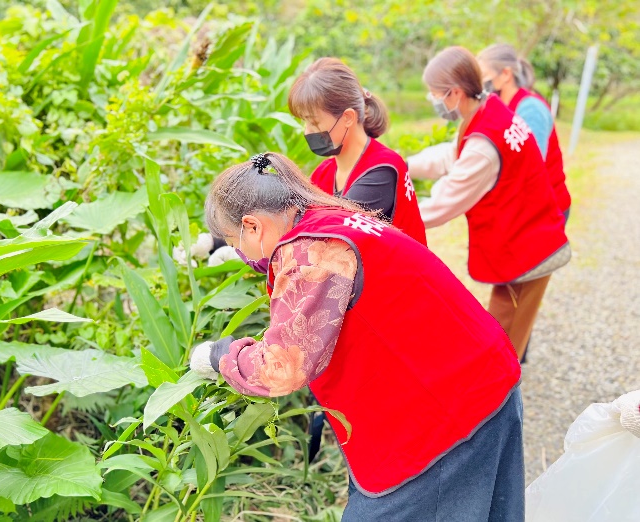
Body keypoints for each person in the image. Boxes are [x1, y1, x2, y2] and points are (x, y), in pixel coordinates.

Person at [191, 152, 524, 521]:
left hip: (447, 409)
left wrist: (220, 355)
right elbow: (276, 257)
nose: (240, 251)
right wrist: (222, 247)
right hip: (476, 373)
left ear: (253, 225)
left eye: (233, 240)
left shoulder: (312, 255)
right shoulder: (328, 218)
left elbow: (283, 367)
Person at [407, 46, 570, 361]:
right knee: (503, 334)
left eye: (434, 94)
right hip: (526, 234)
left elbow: (445, 202)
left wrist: (393, 215)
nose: (434, 102)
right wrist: (401, 165)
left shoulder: (485, 140)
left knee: (503, 346)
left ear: (454, 93)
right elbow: (453, 154)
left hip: (527, 247)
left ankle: (501, 405)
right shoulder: (488, 112)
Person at [288, 57, 426, 245]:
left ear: (347, 118)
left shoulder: (382, 169)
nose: (307, 131)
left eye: (314, 122)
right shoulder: (324, 173)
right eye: (305, 122)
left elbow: (331, 235)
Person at [478, 44, 572, 221]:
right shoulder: (501, 105)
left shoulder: (530, 108)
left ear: (506, 74)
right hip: (521, 206)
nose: (481, 83)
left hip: (546, 209)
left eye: (484, 75)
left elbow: (531, 164)